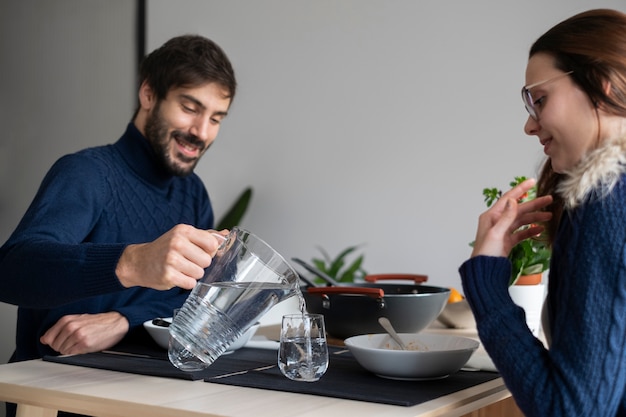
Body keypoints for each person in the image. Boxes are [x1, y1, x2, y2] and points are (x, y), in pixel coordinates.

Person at [0, 34, 236, 364]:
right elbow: (11, 272)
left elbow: (195, 299)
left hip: (144, 387)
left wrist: (125, 321)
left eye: (215, 119)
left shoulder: (192, 192)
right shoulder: (85, 173)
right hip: (56, 390)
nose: (202, 132)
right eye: (189, 108)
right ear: (149, 94)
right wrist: (132, 263)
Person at [460, 8, 626, 417]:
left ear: (600, 87)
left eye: (540, 100)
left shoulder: (607, 203)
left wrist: (486, 278)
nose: (529, 126)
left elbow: (568, 410)